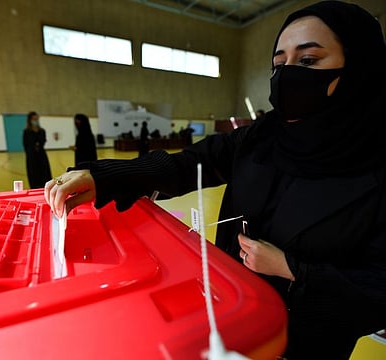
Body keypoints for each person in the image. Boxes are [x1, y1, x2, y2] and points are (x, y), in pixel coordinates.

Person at [45, 2, 386, 359]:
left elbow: (378, 292)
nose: (287, 75)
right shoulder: (262, 137)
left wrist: (293, 270)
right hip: (227, 316)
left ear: (360, 66)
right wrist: (104, 178)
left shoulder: (376, 168)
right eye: (279, 64)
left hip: (305, 342)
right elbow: (188, 162)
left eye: (308, 61)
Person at [23, 111, 52, 189]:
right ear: (30, 120)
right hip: (32, 156)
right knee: (34, 174)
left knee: (44, 174)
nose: (35, 120)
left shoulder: (42, 131)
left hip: (41, 155)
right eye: (34, 119)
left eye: (36, 119)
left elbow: (43, 141)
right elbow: (25, 144)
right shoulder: (26, 131)